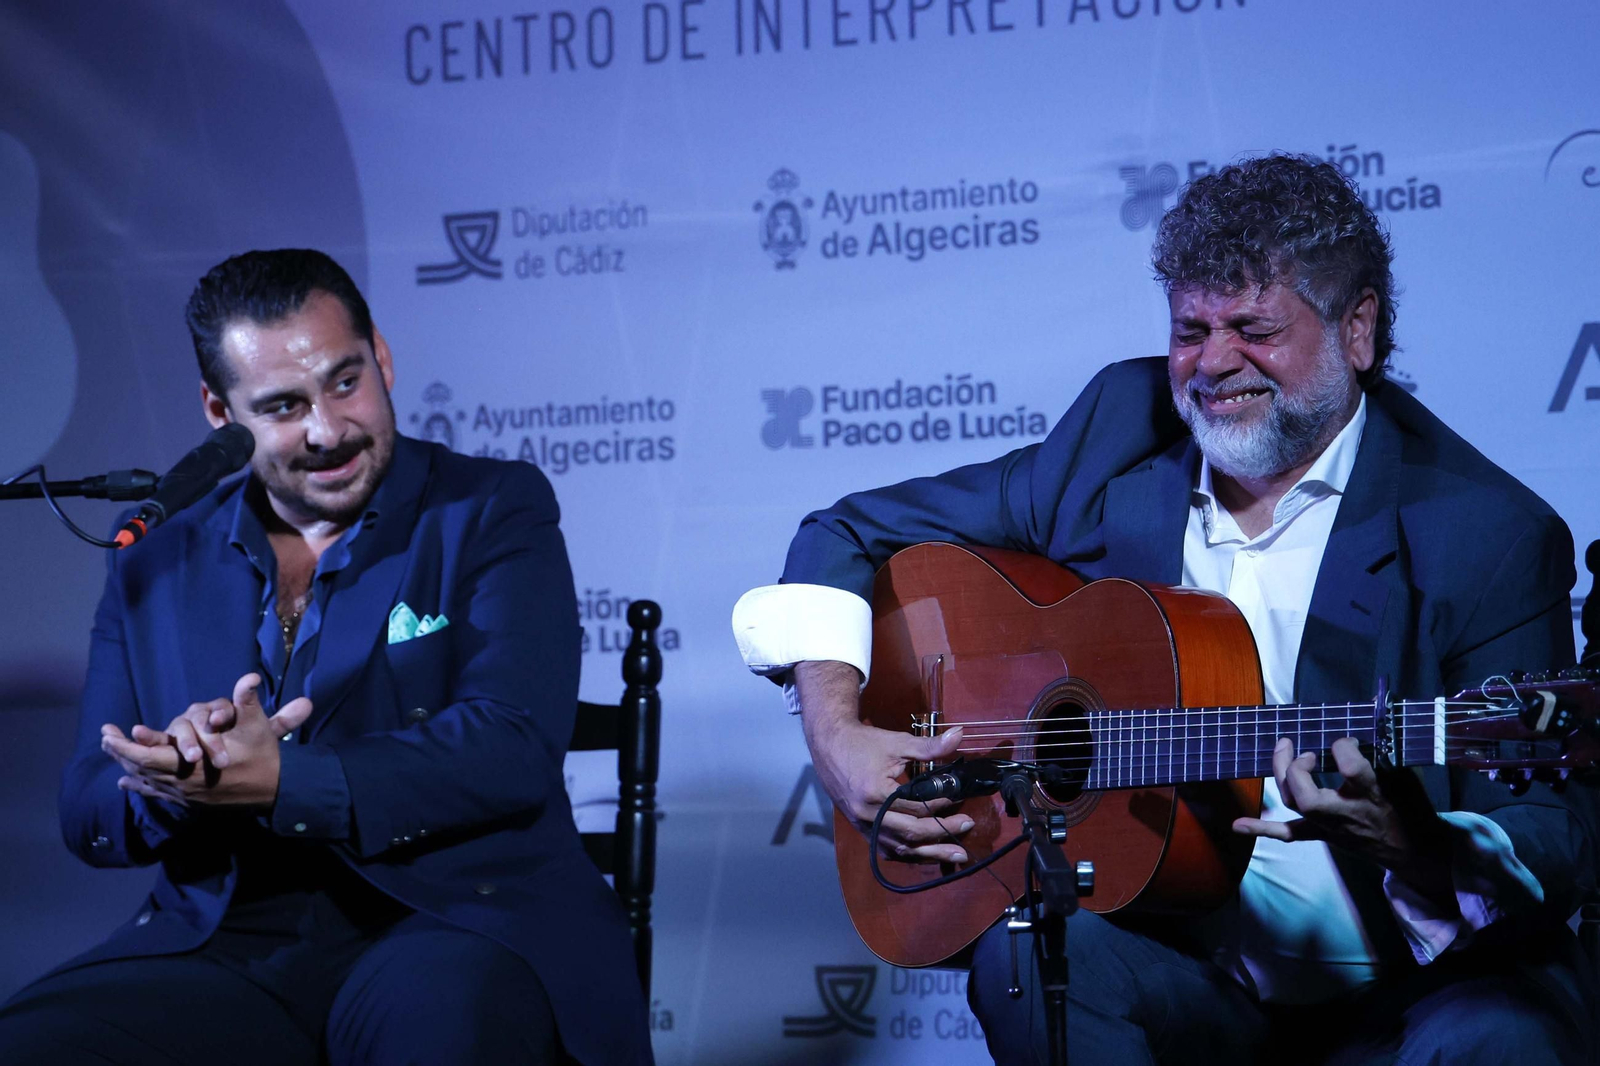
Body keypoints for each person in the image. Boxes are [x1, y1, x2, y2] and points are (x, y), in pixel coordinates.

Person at [733, 155, 1598, 1064]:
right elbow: (845, 533)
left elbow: (1557, 832)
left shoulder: (1484, 532)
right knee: (1028, 961)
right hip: (1192, 971)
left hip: (1413, 991)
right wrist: (835, 737)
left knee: (1501, 1037)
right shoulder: (1119, 433)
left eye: (1253, 328)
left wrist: (1418, 848)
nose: (1213, 363)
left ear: (1358, 329)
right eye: (1192, 329)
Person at [0, 249, 652, 1065]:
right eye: (282, 405)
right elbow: (87, 810)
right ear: (218, 411)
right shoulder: (153, 552)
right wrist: (175, 777)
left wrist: (281, 779)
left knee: (444, 1031)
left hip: (453, 919)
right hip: (227, 943)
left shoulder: (491, 507)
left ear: (380, 355)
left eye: (345, 382)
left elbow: (512, 744)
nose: (328, 429)